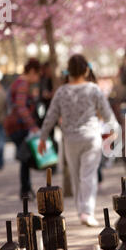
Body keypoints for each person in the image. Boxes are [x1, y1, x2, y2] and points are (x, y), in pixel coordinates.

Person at [38, 54, 118, 227]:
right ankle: (86, 212)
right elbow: (107, 113)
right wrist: (115, 130)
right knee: (88, 176)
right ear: (86, 70)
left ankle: (81, 210)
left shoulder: (61, 91)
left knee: (76, 177)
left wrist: (43, 138)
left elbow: (50, 116)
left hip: (71, 140)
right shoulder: (93, 89)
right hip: (91, 137)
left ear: (69, 71)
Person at [5, 58, 41, 200]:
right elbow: (21, 106)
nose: (37, 79)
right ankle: (25, 190)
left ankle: (26, 188)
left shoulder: (18, 82)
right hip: (18, 126)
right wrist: (32, 126)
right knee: (25, 158)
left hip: (14, 126)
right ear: (32, 71)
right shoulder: (23, 83)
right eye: (37, 75)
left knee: (25, 159)